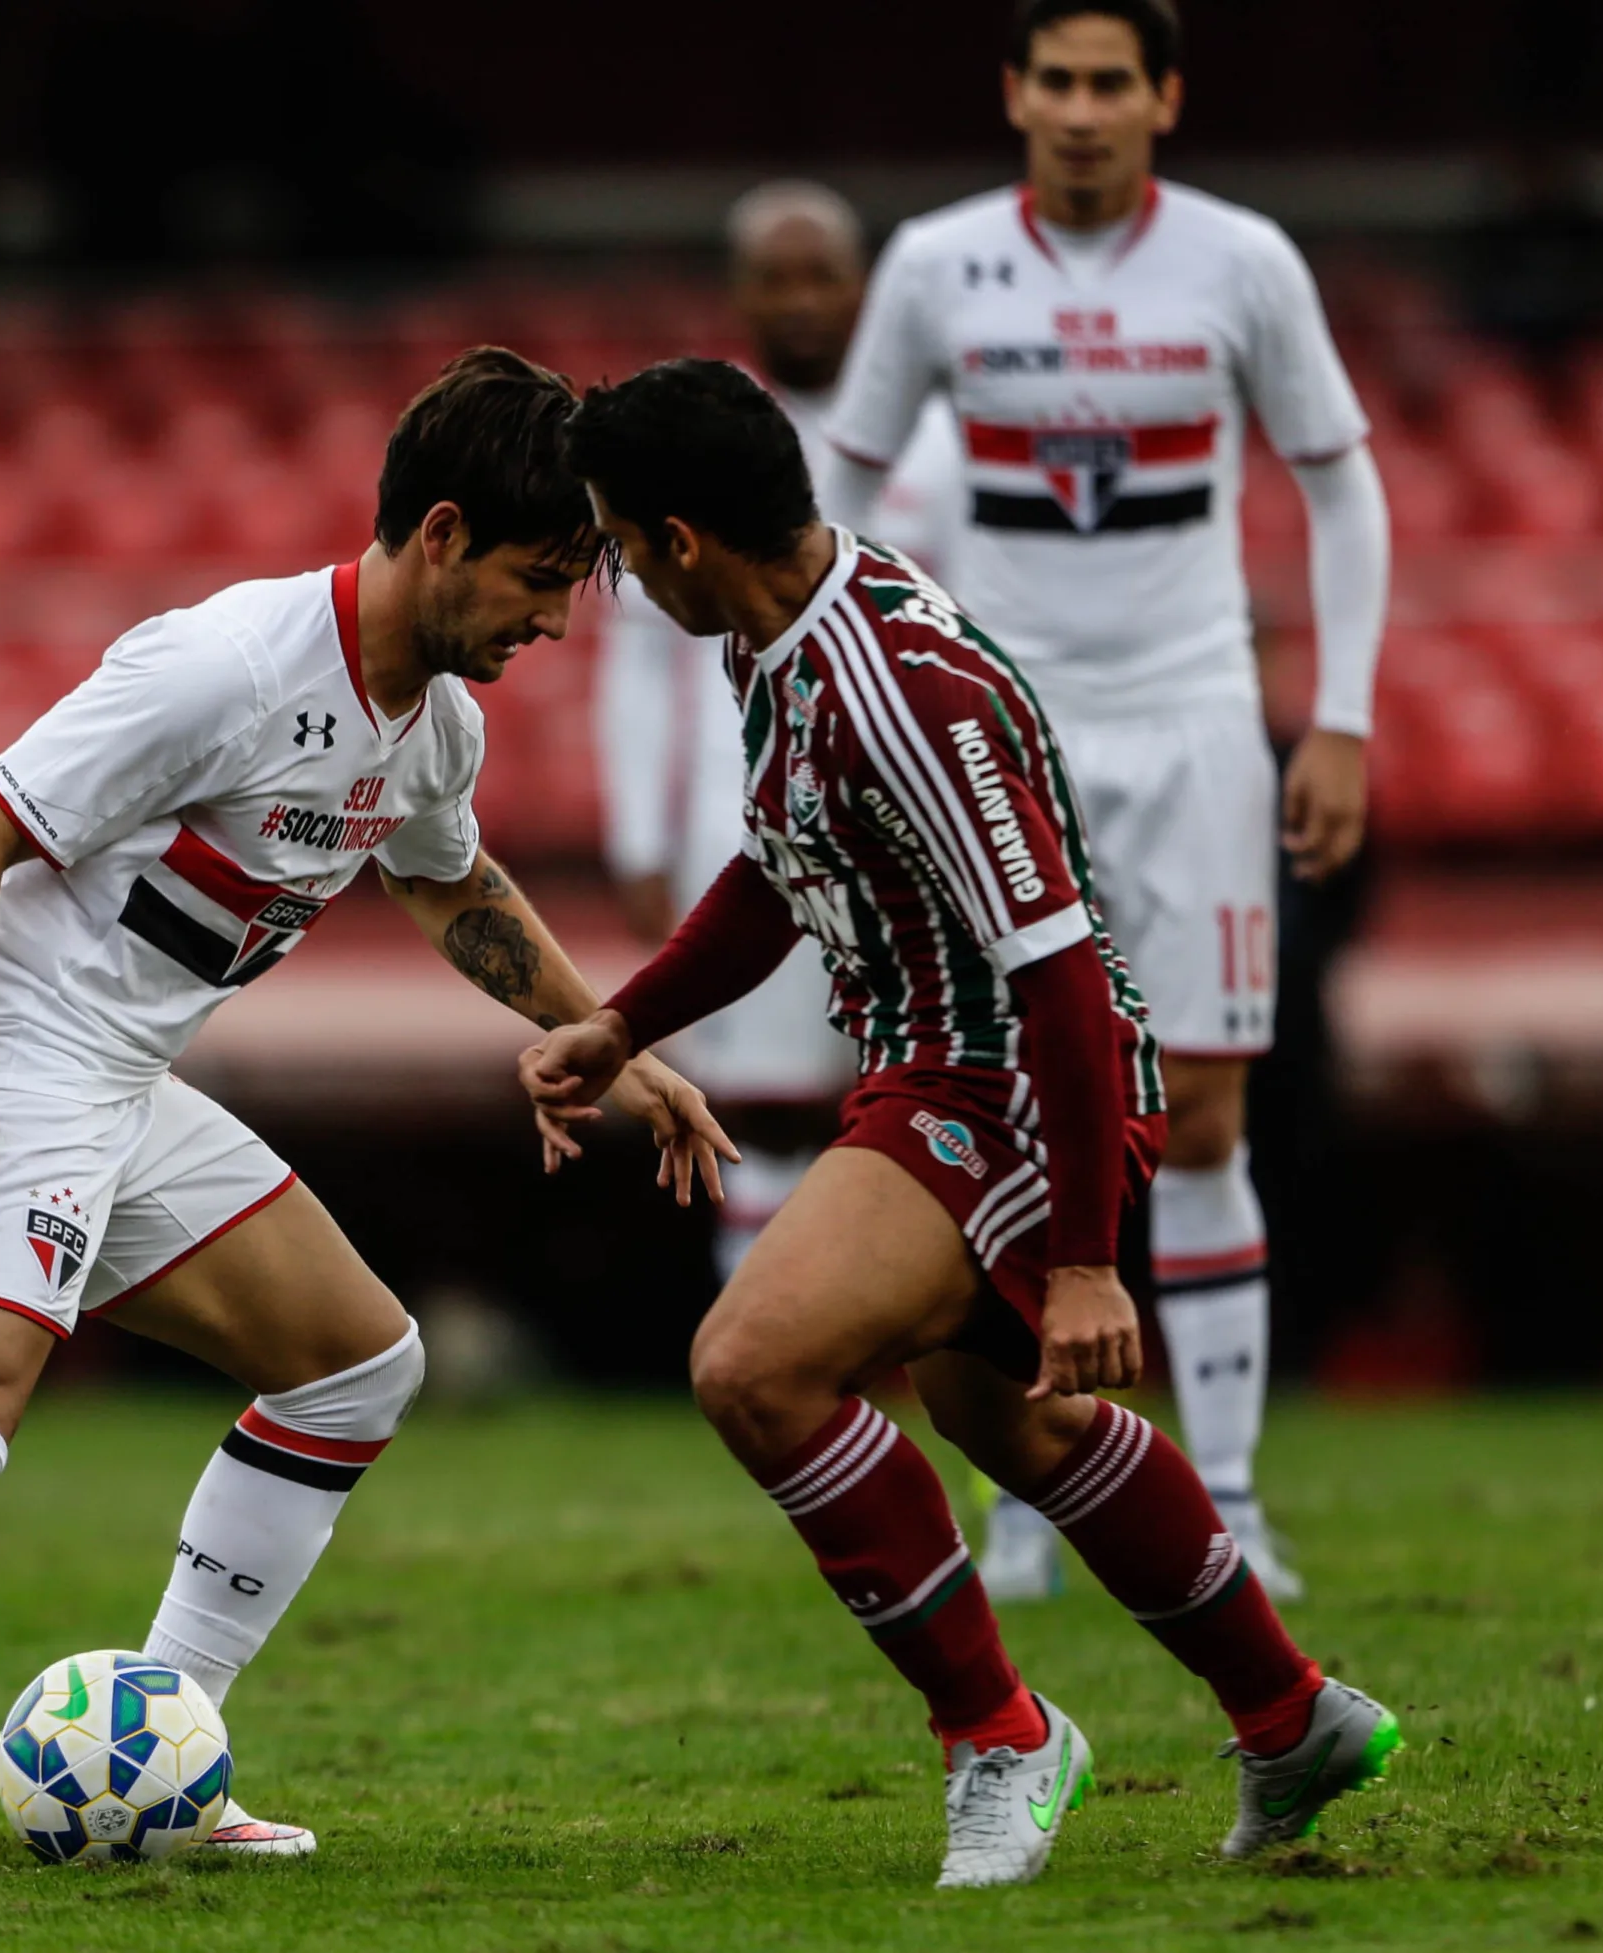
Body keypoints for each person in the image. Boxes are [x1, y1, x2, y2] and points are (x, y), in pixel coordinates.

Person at [0, 348, 735, 1889]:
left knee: (353, 1366)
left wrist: (610, 1035)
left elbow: (445, 878)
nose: (554, 621)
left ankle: (163, 1759)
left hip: (112, 1083)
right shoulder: (228, 664)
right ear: (443, 532)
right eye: (542, 580)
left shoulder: (434, 725)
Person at [532, 359, 1397, 1889]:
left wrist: (1084, 1261)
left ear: (678, 538)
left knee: (751, 1366)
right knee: (1016, 1422)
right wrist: (624, 1022)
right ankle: (1289, 1713)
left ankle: (998, 1732)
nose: (609, 576)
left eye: (611, 541)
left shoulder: (896, 688)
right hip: (934, 1065)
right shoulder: (778, 632)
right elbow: (777, 866)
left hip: (1008, 1080)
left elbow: (1060, 972)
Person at [815, 0, 1391, 1601]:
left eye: (1109, 83)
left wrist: (1334, 719)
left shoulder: (1242, 260)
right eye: (1054, 81)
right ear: (1012, 94)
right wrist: (860, 688)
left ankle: (1239, 1499)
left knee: (1201, 1113)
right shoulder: (934, 265)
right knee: (1000, 1100)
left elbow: (1341, 480)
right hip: (1004, 727)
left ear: (1164, 99)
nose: (1081, 109)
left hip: (1198, 719)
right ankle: (1028, 1484)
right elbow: (843, 490)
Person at [596, 181, 961, 1284]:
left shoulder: (938, 441)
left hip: (913, 811)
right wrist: (635, 841)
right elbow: (639, 663)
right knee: (760, 1105)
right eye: (775, 278)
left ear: (865, 287)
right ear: (740, 293)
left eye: (822, 275)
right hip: (743, 807)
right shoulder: (690, 442)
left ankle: (950, 1382)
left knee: (938, 1093)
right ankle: (786, 1401)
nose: (801, 301)